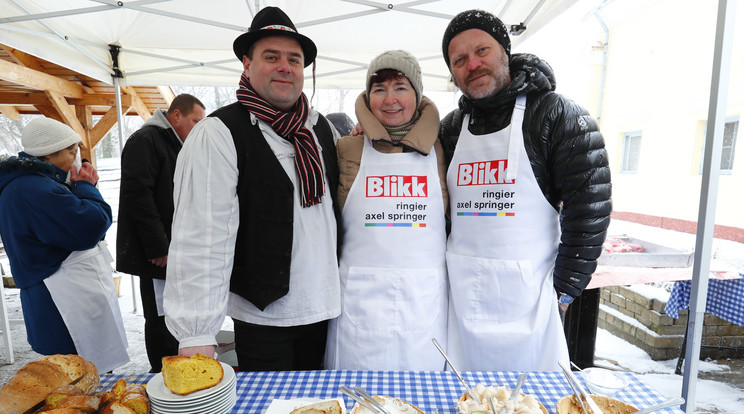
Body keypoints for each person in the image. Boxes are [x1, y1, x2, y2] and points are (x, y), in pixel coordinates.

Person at [163, 6, 341, 372]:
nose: (285, 67)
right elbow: (202, 236)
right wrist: (197, 332)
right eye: (271, 57)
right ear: (246, 64)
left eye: (294, 59)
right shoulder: (219, 133)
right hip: (265, 317)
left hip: (324, 308)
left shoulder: (320, 129)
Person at [439, 10, 612, 371]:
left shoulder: (556, 114)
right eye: (460, 59)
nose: (473, 64)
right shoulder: (451, 128)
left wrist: (565, 291)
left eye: (482, 50)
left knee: (528, 403)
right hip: (461, 303)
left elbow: (589, 208)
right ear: (453, 72)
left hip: (531, 303)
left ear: (505, 50)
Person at [324, 50, 449, 370]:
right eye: (379, 89)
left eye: (400, 87)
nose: (390, 99)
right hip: (358, 307)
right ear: (368, 96)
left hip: (424, 306)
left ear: (418, 95)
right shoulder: (346, 148)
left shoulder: (442, 145)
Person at [0, 117, 128, 372]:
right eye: (71, 151)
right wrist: (87, 187)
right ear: (48, 154)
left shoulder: (31, 184)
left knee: (72, 371)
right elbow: (89, 227)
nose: (76, 157)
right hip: (60, 300)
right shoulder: (36, 189)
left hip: (52, 292)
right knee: (77, 374)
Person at [116, 94, 205, 373]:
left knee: (179, 315)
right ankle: (163, 372)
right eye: (195, 121)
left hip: (177, 249)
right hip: (158, 253)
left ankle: (181, 369)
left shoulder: (176, 144)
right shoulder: (146, 140)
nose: (198, 128)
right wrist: (157, 247)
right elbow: (138, 195)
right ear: (176, 115)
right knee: (161, 317)